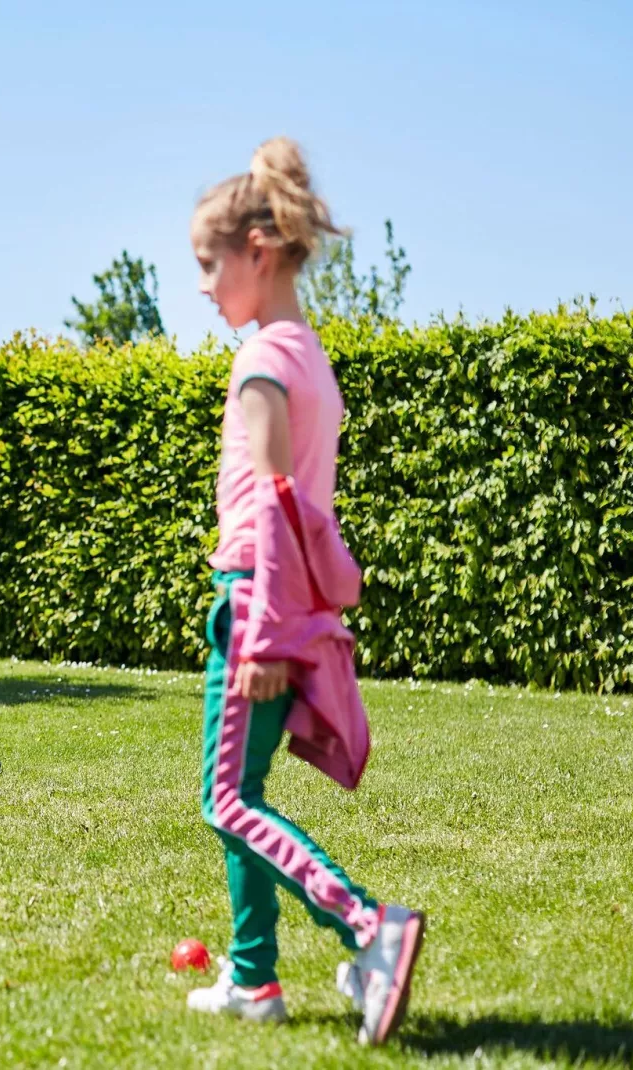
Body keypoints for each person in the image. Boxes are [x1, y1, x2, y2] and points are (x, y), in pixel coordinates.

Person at [183, 137, 424, 1047]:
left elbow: (280, 508)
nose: (205, 286)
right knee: (236, 787)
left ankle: (369, 928)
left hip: (259, 599)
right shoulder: (307, 355)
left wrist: (260, 638)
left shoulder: (260, 367)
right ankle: (254, 980)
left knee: (228, 801)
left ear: (260, 251)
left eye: (210, 264)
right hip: (279, 600)